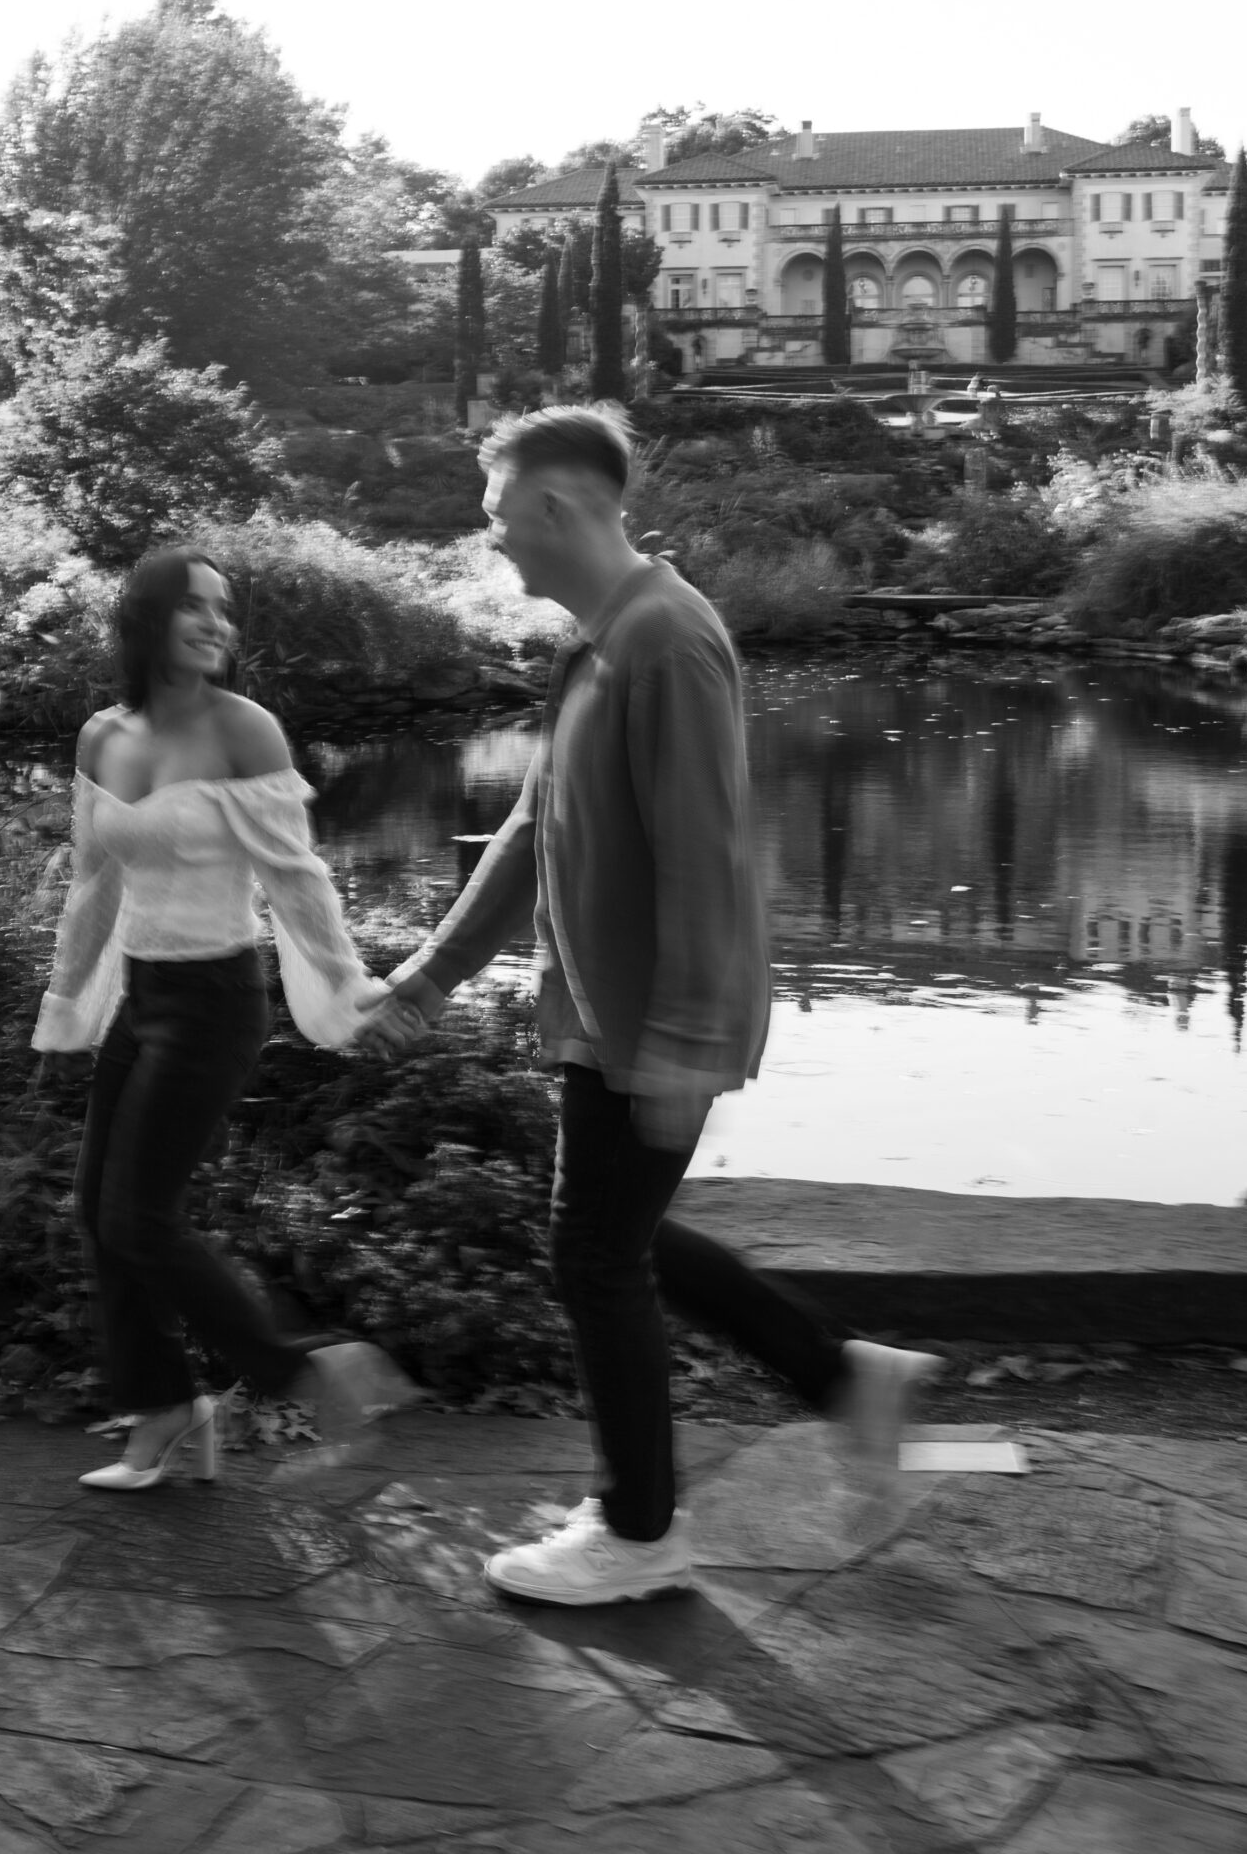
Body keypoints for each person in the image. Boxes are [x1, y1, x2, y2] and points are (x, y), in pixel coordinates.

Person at [371, 407, 938, 1606]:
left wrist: (678, 1045)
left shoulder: (667, 641)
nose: (495, 546)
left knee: (593, 1252)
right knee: (613, 1238)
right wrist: (427, 979)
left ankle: (639, 1532)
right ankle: (844, 1379)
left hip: (653, 1022)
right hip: (606, 1013)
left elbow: (707, 858)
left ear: (555, 509)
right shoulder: (602, 642)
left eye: (496, 520)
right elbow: (531, 834)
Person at [34, 543, 412, 1490]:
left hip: (214, 999)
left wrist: (347, 977)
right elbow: (92, 887)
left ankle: (303, 1373)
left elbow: (298, 878)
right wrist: (65, 1003)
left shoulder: (246, 731)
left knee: (140, 1217)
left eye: (224, 609)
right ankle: (162, 1407)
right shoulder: (102, 737)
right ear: (146, 619)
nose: (216, 624)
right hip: (142, 995)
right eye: (194, 606)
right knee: (98, 1213)